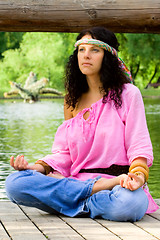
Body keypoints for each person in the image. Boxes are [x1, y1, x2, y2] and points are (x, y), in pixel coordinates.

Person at [5, 27, 159, 222]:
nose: (86, 55)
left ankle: (70, 202)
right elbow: (65, 153)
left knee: (130, 204)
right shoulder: (72, 99)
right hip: (78, 182)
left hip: (118, 184)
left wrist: (137, 177)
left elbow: (139, 147)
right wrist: (36, 168)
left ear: (108, 56)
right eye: (81, 50)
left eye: (95, 50)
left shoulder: (129, 94)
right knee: (14, 183)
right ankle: (91, 199)